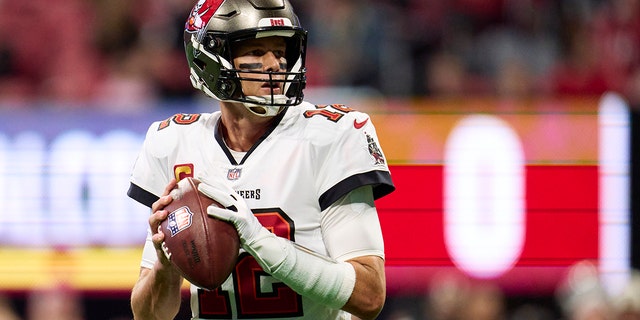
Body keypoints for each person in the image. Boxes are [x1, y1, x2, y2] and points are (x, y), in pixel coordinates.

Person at [127, 0, 395, 319]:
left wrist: (261, 243)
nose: (274, 64)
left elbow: (369, 295)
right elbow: (149, 316)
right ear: (210, 59)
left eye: (281, 51)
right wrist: (165, 267)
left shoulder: (331, 136)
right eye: (256, 52)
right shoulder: (173, 143)